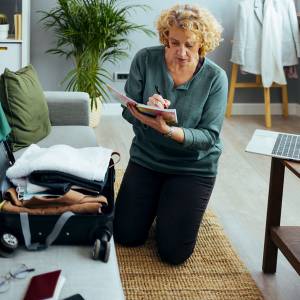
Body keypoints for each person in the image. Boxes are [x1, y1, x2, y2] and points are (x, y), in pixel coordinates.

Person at [113, 4, 228, 265]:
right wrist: (148, 112)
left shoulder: (215, 78)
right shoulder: (145, 59)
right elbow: (127, 111)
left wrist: (168, 130)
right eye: (174, 42)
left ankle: (169, 206)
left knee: (173, 253)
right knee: (125, 235)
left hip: (192, 168)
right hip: (147, 159)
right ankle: (159, 203)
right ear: (166, 37)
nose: (181, 52)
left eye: (190, 44)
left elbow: (209, 137)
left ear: (203, 43)